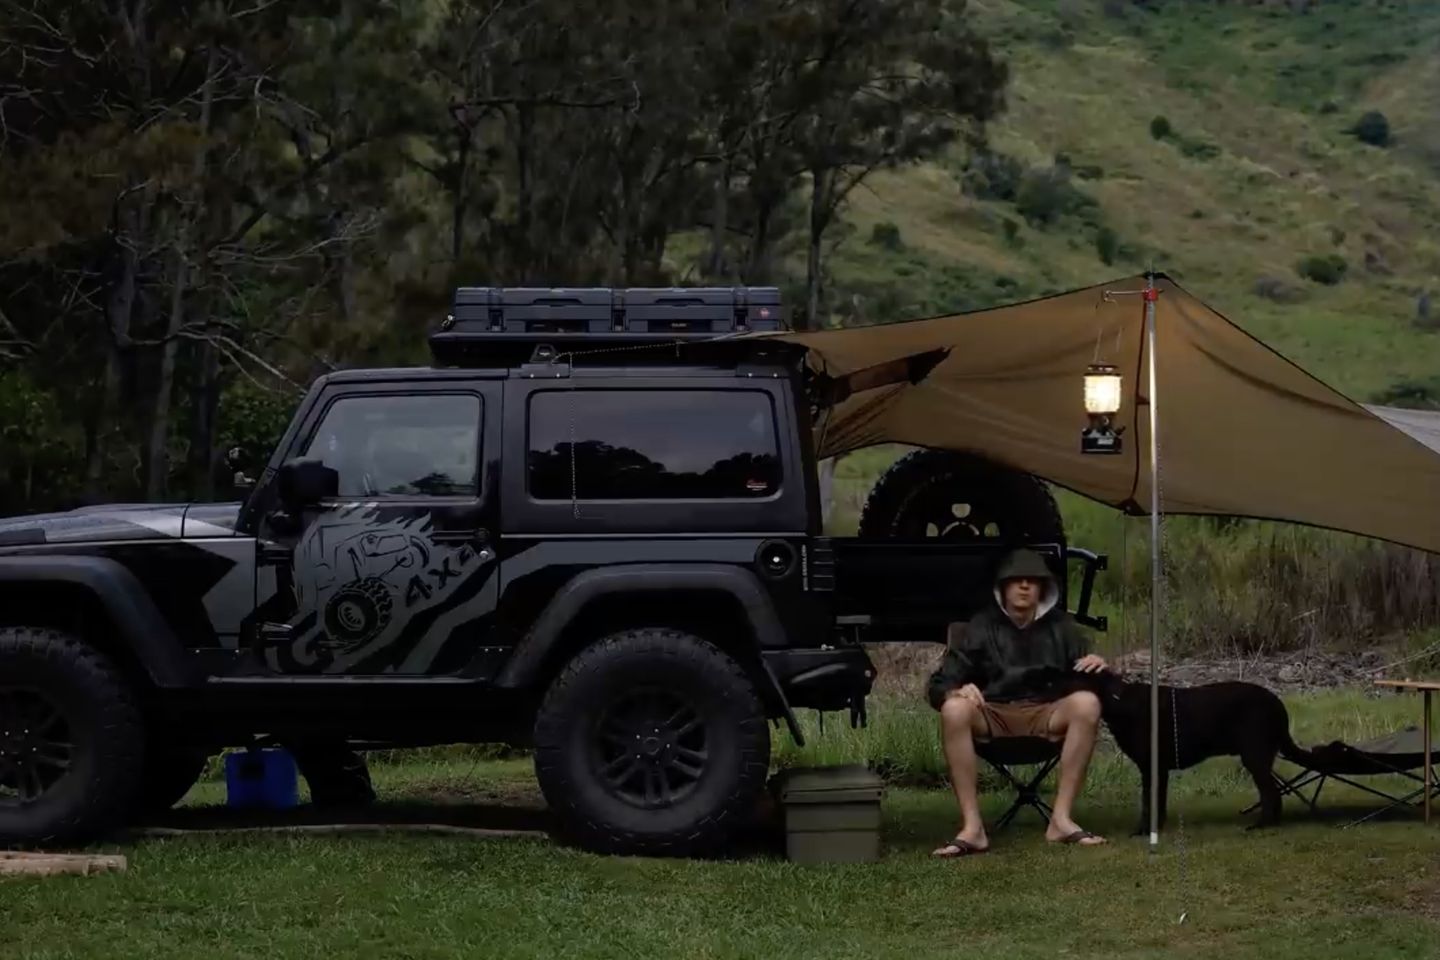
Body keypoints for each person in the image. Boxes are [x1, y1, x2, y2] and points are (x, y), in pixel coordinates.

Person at [927, 548, 1108, 857]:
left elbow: (1085, 678)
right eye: (1017, 580)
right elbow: (939, 684)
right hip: (993, 713)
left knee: (1087, 704)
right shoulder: (981, 626)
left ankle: (1061, 820)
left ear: (1043, 588)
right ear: (1003, 587)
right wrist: (957, 691)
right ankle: (973, 828)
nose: (1024, 586)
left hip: (1045, 713)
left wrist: (1095, 665)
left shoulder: (1060, 627)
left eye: (1032, 581)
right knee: (954, 709)